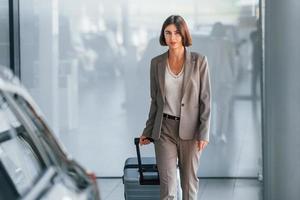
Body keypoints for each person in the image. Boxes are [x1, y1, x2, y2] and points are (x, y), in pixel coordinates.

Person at [139, 15, 211, 200]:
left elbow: (205, 100)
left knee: (189, 185)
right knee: (168, 187)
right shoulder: (156, 63)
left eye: (177, 33)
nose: (172, 37)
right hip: (164, 130)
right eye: (168, 33)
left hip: (191, 130)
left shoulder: (199, 61)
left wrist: (204, 132)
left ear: (184, 34)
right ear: (163, 35)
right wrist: (148, 130)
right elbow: (155, 100)